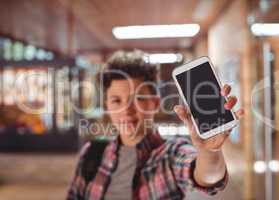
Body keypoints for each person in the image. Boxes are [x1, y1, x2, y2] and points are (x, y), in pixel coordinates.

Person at [66, 50, 244, 200]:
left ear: (155, 103)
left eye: (139, 98)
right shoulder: (91, 154)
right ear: (107, 106)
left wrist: (209, 152)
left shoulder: (171, 154)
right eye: (116, 100)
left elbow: (207, 176)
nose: (126, 110)